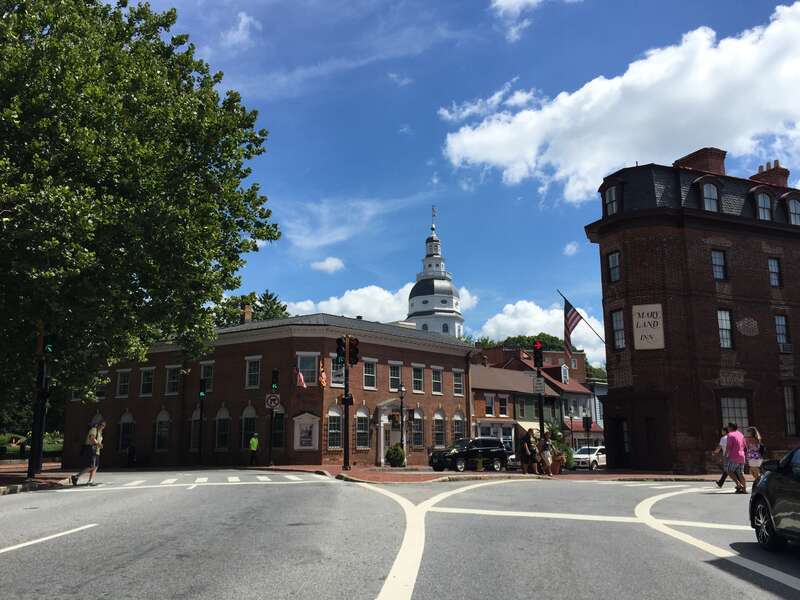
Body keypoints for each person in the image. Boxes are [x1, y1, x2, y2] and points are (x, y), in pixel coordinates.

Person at [71, 421, 105, 486]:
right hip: (91, 450)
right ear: (98, 424)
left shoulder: (100, 432)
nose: (102, 426)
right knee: (91, 466)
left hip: (96, 451)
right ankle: (76, 476)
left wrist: (99, 445)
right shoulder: (94, 429)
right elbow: (92, 438)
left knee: (95, 467)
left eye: (103, 425)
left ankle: (90, 481)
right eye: (101, 425)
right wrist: (99, 444)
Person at [724, 422, 747, 494]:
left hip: (734, 456)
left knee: (729, 470)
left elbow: (729, 446)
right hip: (742, 456)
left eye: (728, 427)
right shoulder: (741, 434)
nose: (727, 428)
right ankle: (744, 488)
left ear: (731, 427)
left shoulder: (730, 435)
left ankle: (738, 485)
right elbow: (745, 446)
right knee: (740, 473)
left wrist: (725, 455)